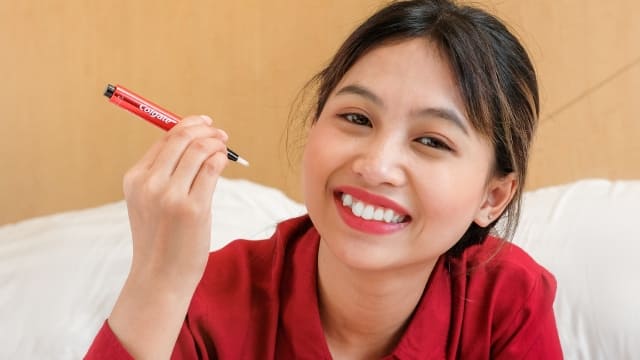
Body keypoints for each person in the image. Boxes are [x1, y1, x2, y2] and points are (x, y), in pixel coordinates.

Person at [86, 0, 562, 358]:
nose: (375, 166)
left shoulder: (507, 303)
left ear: (493, 196)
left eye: (432, 141)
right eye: (356, 118)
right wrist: (159, 278)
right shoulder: (209, 298)